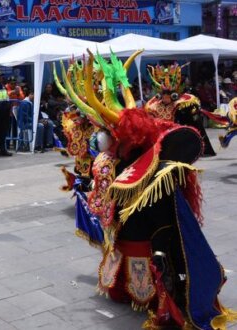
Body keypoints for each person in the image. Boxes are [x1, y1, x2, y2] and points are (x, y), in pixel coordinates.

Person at [55, 51, 236, 329]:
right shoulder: (114, 160)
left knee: (156, 233)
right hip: (133, 228)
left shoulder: (146, 163)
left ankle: (162, 286)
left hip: (148, 232)